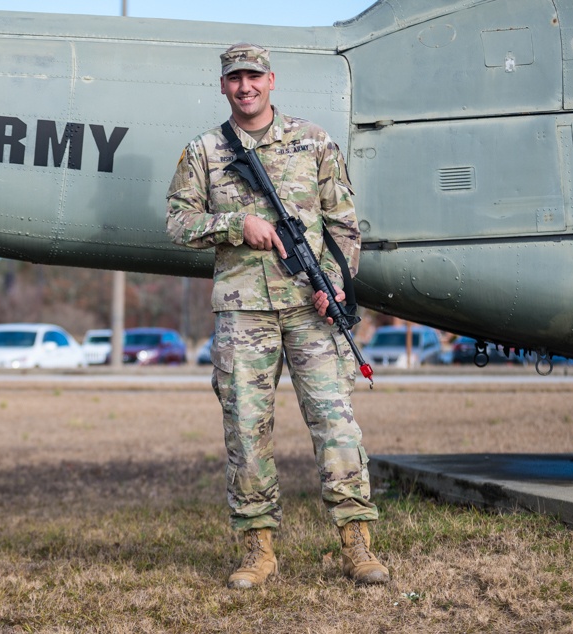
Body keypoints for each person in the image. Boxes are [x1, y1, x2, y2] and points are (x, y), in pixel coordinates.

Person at [165, 43, 389, 589]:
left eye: (254, 77)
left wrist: (333, 286)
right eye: (235, 78)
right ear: (222, 85)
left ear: (272, 81)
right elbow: (177, 223)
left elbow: (344, 227)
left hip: (310, 312)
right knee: (246, 429)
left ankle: (357, 543)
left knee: (336, 425)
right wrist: (235, 224)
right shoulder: (204, 151)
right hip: (244, 314)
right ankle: (258, 551)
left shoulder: (315, 142)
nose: (245, 86)